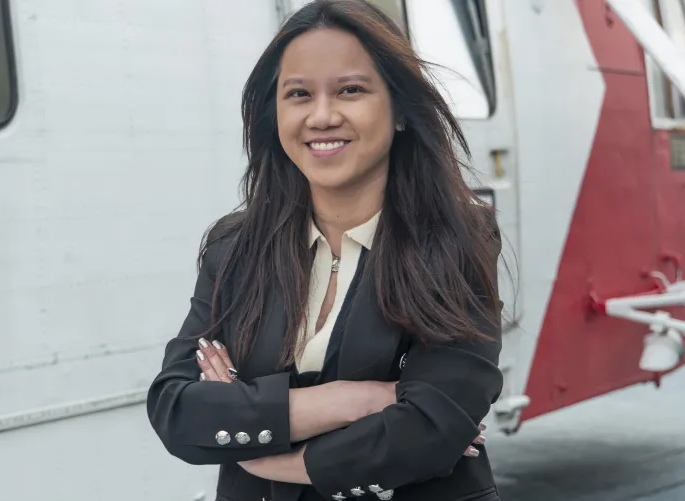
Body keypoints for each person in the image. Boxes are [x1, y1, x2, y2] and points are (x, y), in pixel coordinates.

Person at [147, 1, 505, 500]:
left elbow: (431, 428)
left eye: (350, 90)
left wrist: (259, 447)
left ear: (400, 109)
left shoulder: (456, 239)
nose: (322, 115)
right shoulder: (234, 249)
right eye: (298, 94)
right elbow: (177, 409)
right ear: (275, 114)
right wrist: (351, 400)